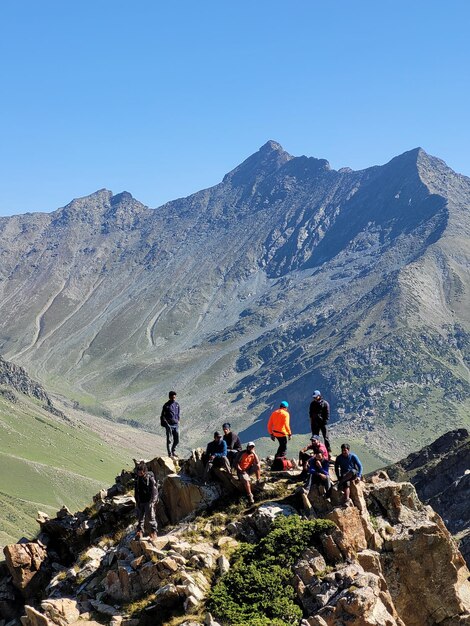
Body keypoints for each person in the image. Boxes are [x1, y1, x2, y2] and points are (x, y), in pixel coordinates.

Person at [134, 461, 159, 540]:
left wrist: (152, 502)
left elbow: (154, 491)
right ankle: (139, 533)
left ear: (144, 471)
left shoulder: (150, 479)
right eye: (138, 472)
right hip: (140, 501)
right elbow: (136, 491)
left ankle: (154, 533)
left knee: (151, 518)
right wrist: (137, 501)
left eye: (141, 473)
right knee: (140, 518)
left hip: (149, 501)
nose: (139, 474)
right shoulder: (137, 480)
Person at [160, 391, 180, 458]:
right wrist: (166, 425)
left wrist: (178, 421)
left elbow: (178, 414)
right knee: (169, 440)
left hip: (176, 425)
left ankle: (173, 451)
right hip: (169, 425)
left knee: (177, 440)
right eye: (172, 397)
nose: (174, 398)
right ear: (169, 397)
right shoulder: (166, 405)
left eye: (174, 397)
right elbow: (162, 416)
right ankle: (170, 454)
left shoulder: (177, 405)